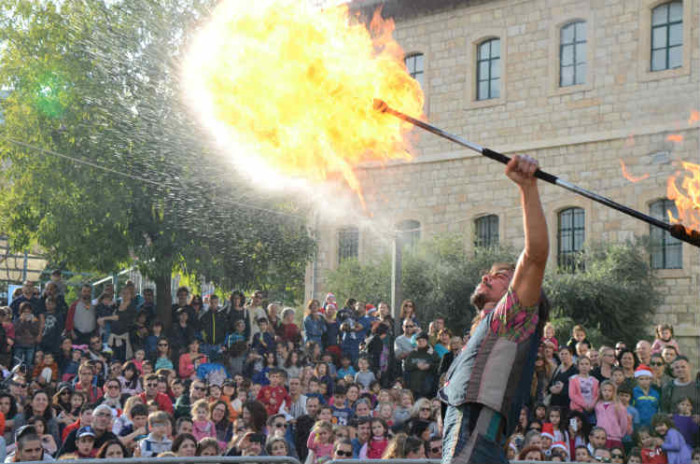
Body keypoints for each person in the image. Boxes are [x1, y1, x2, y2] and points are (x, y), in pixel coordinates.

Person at [439, 154, 549, 464]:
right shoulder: (485, 333)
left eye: (501, 277)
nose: (487, 276)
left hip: (474, 448)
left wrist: (528, 188)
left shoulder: (512, 317)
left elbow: (535, 257)